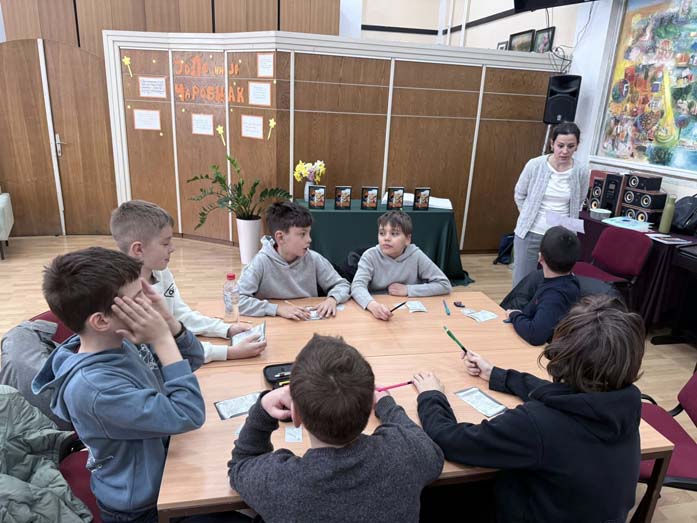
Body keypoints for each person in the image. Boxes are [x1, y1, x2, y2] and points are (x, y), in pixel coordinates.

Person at [413, 295, 645, 523]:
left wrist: (431, 396)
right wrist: (496, 375)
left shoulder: (537, 424)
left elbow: (451, 441)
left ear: (560, 353)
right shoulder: (626, 403)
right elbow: (562, 396)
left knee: (434, 494)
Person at [32, 247, 206, 523]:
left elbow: (192, 359)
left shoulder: (122, 340)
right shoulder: (95, 389)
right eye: (137, 299)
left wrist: (169, 322)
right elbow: (188, 413)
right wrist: (161, 339)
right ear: (101, 321)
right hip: (140, 507)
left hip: (164, 470)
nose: (147, 303)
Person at [228, 334, 444, 523]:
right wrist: (387, 405)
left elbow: (240, 466)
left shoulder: (279, 483)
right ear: (370, 405)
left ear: (295, 415)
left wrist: (262, 410)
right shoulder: (406, 453)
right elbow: (430, 451)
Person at [111, 200, 266, 362]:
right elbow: (162, 349)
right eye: (165, 243)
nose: (172, 248)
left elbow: (180, 316)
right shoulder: (126, 296)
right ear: (138, 249)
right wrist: (229, 352)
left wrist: (226, 329)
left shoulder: (161, 272)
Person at [238, 201, 350, 319]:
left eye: (309, 233)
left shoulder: (314, 259)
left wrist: (332, 299)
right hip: (274, 322)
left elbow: (342, 284)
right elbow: (236, 301)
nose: (309, 239)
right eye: (302, 234)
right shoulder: (260, 262)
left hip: (305, 320)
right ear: (280, 237)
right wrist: (276, 309)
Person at [512, 122, 589, 286]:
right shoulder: (535, 165)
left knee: (555, 284)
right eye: (560, 146)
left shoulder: (581, 171)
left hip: (561, 237)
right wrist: (527, 214)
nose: (565, 151)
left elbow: (579, 200)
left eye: (571, 146)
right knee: (523, 283)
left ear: (577, 146)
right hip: (531, 232)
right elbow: (520, 194)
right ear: (552, 143)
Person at [351, 210, 452, 321]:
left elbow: (444, 284)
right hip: (375, 309)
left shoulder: (416, 255)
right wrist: (372, 305)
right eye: (382, 233)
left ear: (407, 239)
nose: (386, 238)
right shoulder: (370, 256)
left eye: (394, 234)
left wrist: (408, 290)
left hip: (408, 314)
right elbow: (357, 286)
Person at [505, 225, 581, 346]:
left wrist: (515, 315)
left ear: (540, 257)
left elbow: (536, 335)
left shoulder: (554, 296)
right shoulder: (569, 281)